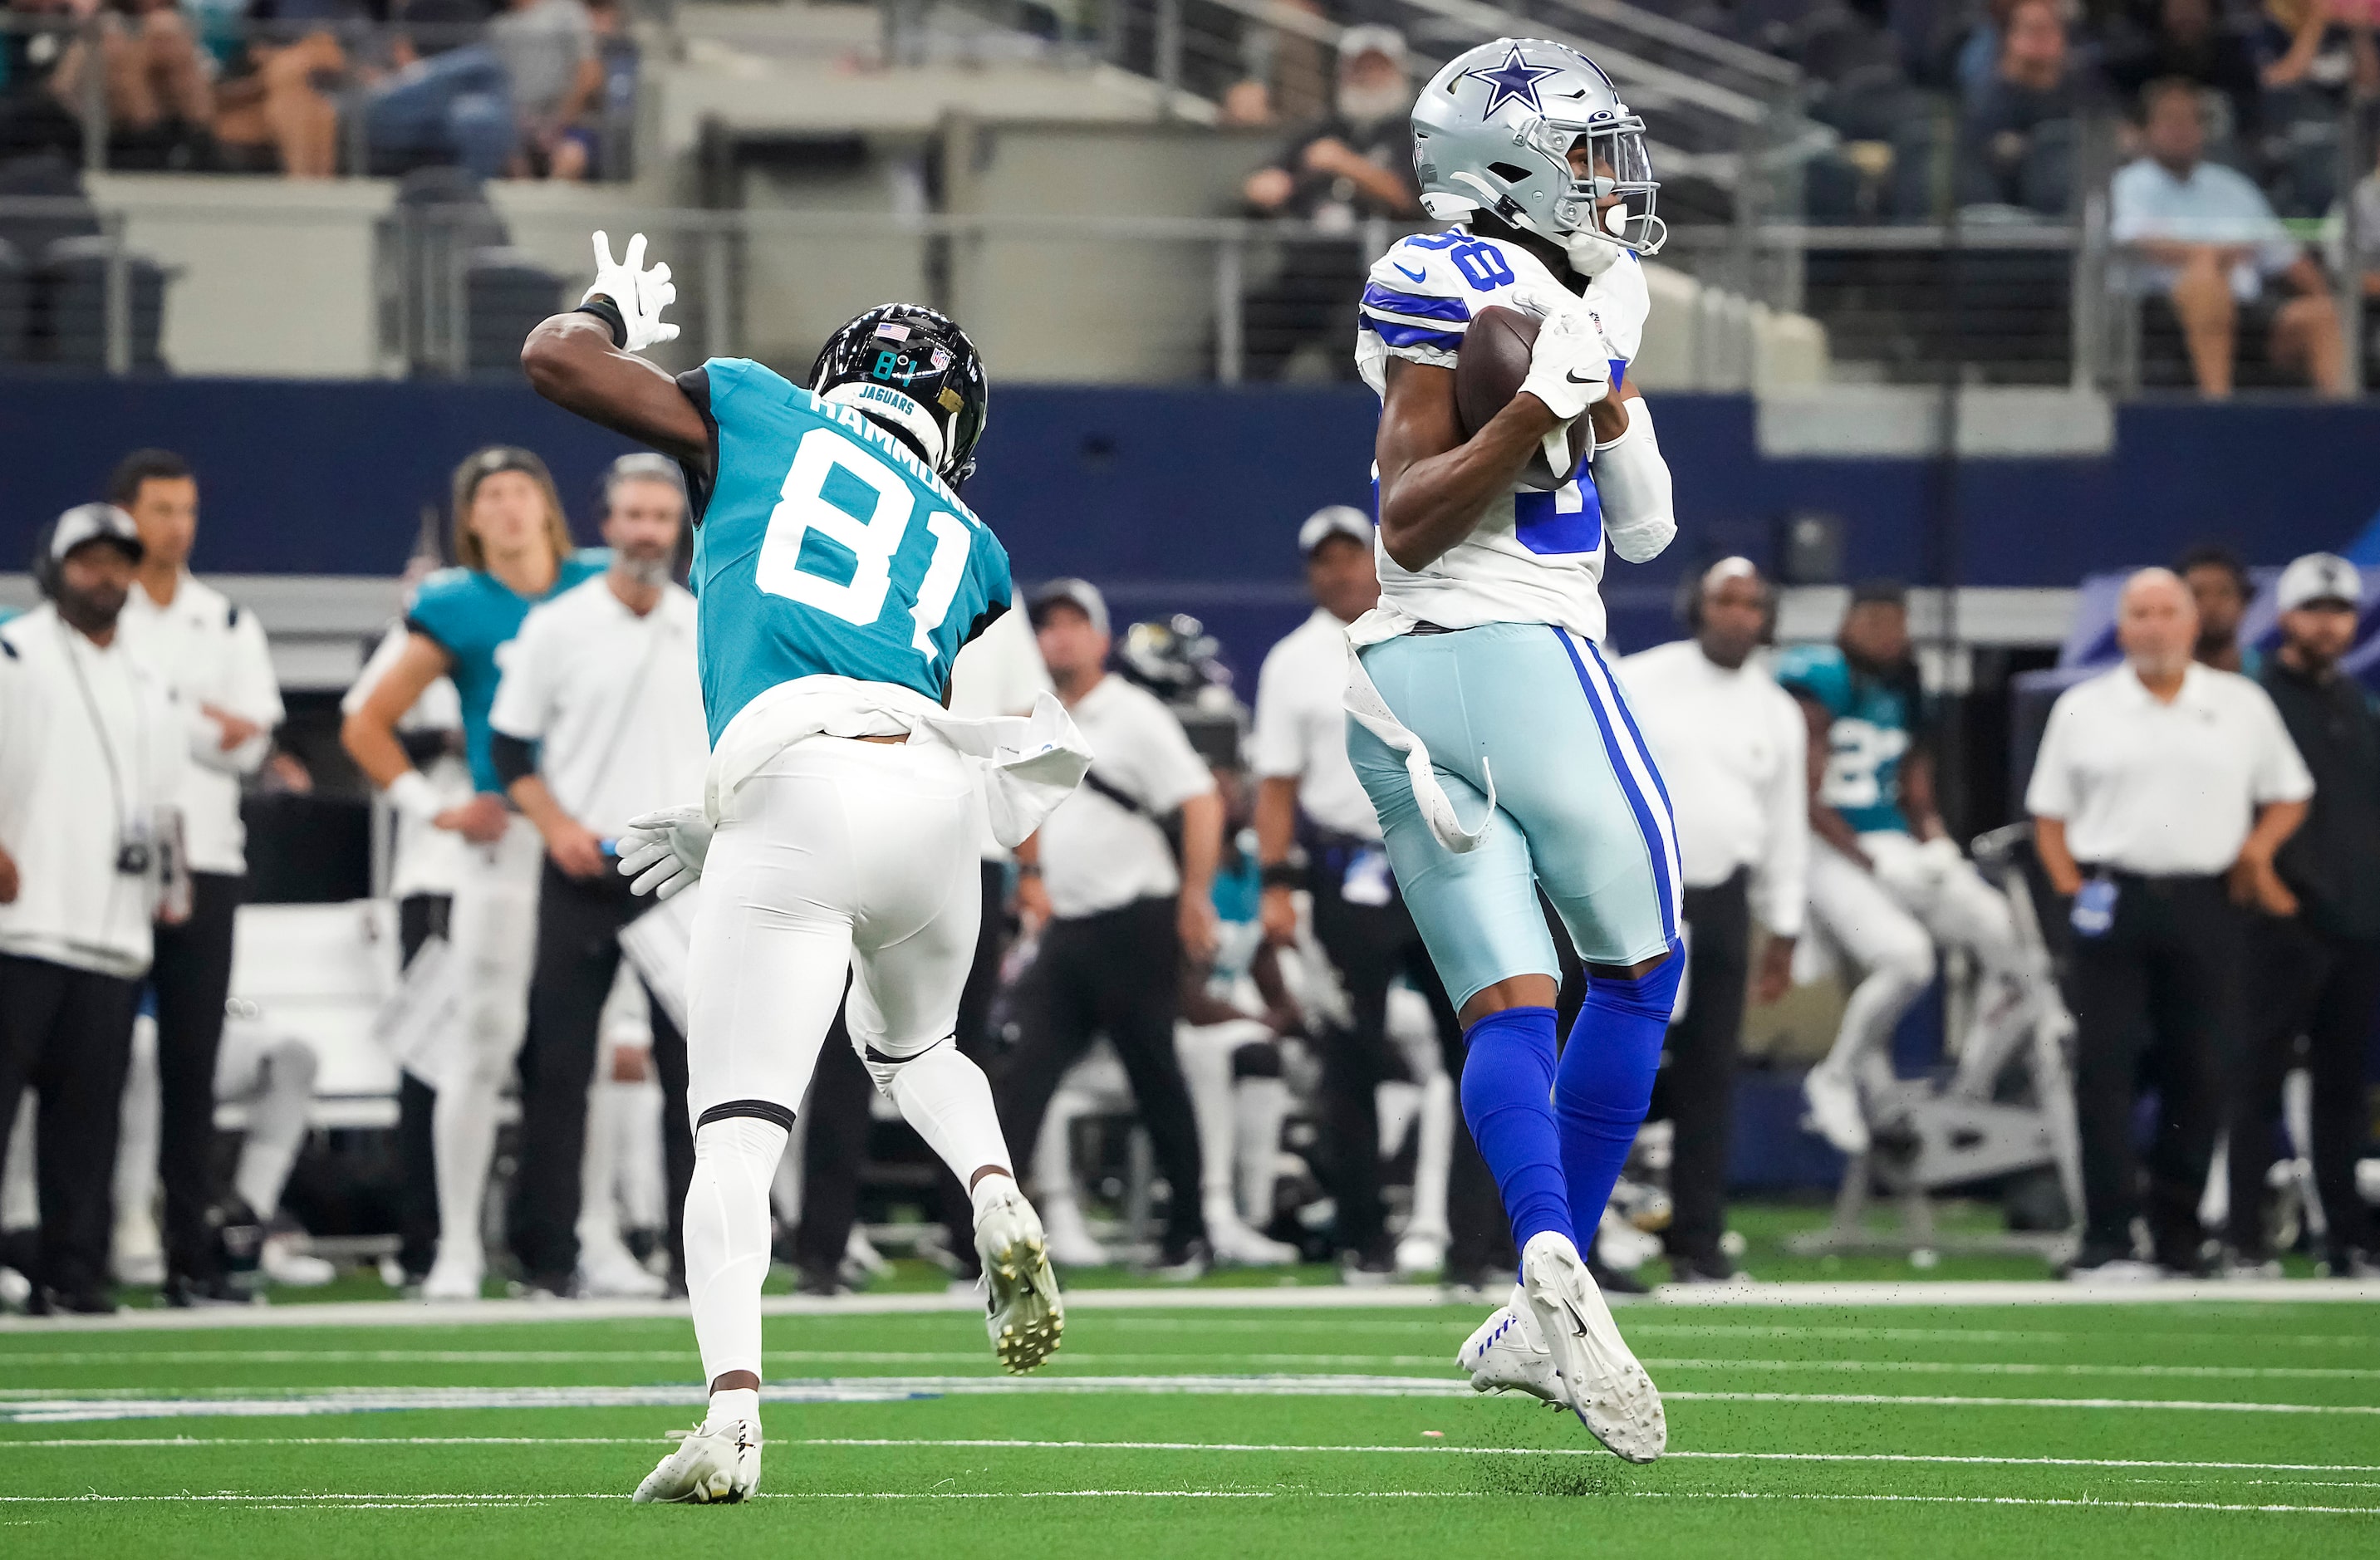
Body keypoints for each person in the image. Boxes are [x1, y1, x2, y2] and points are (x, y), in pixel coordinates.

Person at [522, 233, 1089, 1501]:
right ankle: (994, 1187)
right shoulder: (971, 539)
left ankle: (732, 1417)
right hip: (931, 796)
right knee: (918, 1051)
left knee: (732, 1137)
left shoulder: (761, 410)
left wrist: (614, 302)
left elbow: (557, 362)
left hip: (797, 784)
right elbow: (899, 699)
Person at [1349, 38, 1678, 1463]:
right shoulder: (1470, 285)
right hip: (1523, 652)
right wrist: (1550, 407)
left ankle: (1541, 1266)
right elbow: (1410, 517)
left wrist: (1600, 401)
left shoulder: (1579, 294)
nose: (1613, 182)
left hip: (1394, 684)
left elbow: (1648, 517)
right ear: (1510, 167)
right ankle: (1563, 1273)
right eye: (1588, 155)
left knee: (1507, 1003)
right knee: (1643, 967)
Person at [340, 445, 607, 1302]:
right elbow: (366, 721)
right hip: (508, 840)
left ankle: (592, 1238)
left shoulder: (599, 584)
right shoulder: (454, 602)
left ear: (549, 505)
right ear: (471, 517)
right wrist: (433, 805)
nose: (509, 507)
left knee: (588, 1057)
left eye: (523, 489)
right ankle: (456, 1246)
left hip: (599, 843)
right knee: (480, 1041)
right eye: (490, 495)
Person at [2028, 567, 2311, 1281]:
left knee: (2201, 1067)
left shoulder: (2239, 705)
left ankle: (2181, 1235)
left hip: (2207, 901)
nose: (2153, 626)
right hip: (2111, 899)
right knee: (2104, 1067)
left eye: (2166, 612)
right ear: (2120, 628)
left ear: (2190, 624)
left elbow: (2288, 793)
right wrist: (2070, 889)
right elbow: (2049, 815)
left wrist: (2255, 851)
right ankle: (2106, 1235)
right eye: (2139, 613)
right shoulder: (2083, 708)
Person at [1250, 503, 1504, 1284]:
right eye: (1322, 560)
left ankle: (1476, 1240)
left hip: (1434, 856)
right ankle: (1367, 1238)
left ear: (1377, 555)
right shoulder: (1291, 661)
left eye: (1349, 555)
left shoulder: (1425, 625)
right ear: (1308, 574)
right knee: (1350, 1059)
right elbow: (1276, 786)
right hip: (1345, 872)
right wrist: (1276, 887)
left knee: (1479, 1041)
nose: (1338, 571)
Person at [488, 452, 705, 1298]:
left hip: (676, 870)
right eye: (635, 516)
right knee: (558, 1067)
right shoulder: (558, 625)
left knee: (696, 1072)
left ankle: (698, 1267)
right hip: (580, 863)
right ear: (607, 525)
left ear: (678, 529)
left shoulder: (705, 624)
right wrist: (554, 828)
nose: (648, 531)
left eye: (662, 517)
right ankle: (547, 1262)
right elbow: (507, 747)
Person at [997, 578, 1223, 1278]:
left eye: (1073, 625)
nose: (1058, 637)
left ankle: (1188, 1231)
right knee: (1020, 1076)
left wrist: (1195, 895)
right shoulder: (1031, 718)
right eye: (1048, 627)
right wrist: (1030, 878)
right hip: (1068, 927)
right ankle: (989, 1235)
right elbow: (1021, 805)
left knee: (1154, 1075)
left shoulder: (1134, 713)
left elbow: (1200, 800)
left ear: (1100, 638)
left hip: (1135, 921)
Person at [107, 448, 285, 1307]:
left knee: (192, 1065)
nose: (175, 525)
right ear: (126, 516)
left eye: (186, 509)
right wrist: (199, 721)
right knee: (88, 1063)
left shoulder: (226, 620)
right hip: (107, 864)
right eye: (159, 509)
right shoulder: (99, 611)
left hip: (208, 862)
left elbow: (252, 743)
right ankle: (78, 1243)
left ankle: (188, 1256)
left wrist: (167, 718)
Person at [0, 504, 184, 1315]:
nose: (104, 575)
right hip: (23, 921)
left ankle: (74, 1275)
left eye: (118, 562)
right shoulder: (14, 650)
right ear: (54, 566)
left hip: (113, 932)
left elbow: (162, 799)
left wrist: (169, 886)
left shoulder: (148, 676)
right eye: (88, 561)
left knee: (88, 1125)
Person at [1779, 580, 2034, 1156]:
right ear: (1846, 625)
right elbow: (1802, 793)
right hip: (1826, 846)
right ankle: (1835, 1075)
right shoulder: (1819, 681)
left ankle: (1972, 1082)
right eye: (1873, 623)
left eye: (1896, 624)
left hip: (1892, 842)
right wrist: (1871, 862)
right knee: (1907, 959)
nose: (1887, 636)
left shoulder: (1907, 684)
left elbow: (1915, 789)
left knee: (2013, 943)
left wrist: (1937, 840)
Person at [1617, 559, 1808, 1284]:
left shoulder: (1776, 710)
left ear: (1766, 618)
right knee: (1618, 1061)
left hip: (1722, 899)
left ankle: (1697, 1241)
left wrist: (1782, 927)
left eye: (1750, 604)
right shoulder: (1641, 677)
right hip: (1636, 894)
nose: (1737, 615)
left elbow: (1784, 826)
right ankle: (1598, 1232)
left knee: (1709, 1071)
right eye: (1724, 601)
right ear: (1696, 606)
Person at [2229, 553, 2378, 1277]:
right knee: (2255, 1081)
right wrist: (2275, 896)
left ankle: (2342, 1235)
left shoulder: (2354, 702)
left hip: (2356, 926)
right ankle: (2244, 1234)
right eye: (2314, 609)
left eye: (2339, 611)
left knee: (2342, 1088)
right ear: (2285, 617)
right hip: (2279, 925)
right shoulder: (2252, 701)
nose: (2328, 623)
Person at [341, 571, 473, 1288]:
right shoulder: (409, 643)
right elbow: (365, 725)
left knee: (537, 1064)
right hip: (434, 876)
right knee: (430, 1065)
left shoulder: (521, 626)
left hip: (520, 869)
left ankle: (530, 1240)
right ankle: (423, 1242)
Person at [2111, 77, 2346, 396]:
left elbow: (2285, 255)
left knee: (2320, 315)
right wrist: (2214, 255)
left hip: (2250, 310)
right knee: (2206, 278)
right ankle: (2218, 410)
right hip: (2164, 312)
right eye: (2170, 119)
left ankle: (2343, 427)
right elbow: (2136, 242)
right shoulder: (2129, 184)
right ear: (2146, 129)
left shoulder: (2234, 187)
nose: (2181, 128)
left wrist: (2326, 296)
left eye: (2190, 119)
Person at [1237, 25, 1421, 380]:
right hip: (1305, 273)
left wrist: (1348, 166)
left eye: (1378, 68)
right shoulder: (1320, 129)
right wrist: (1261, 188)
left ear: (1398, 72)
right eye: (1359, 68)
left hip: (1377, 278)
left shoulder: (1412, 133)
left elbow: (1411, 201)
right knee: (1250, 322)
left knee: (1354, 337)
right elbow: (1265, 182)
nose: (1368, 77)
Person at [1957, 0, 2092, 214]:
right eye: (2032, 30)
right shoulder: (1988, 101)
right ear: (2010, 38)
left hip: (2078, 212)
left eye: (2048, 29)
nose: (2041, 39)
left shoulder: (2083, 89)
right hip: (2009, 216)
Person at [487, 0, 600, 179]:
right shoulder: (498, 26)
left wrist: (562, 121)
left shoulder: (566, 12)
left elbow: (589, 73)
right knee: (505, 162)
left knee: (572, 158)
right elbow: (494, 87)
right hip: (517, 128)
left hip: (565, 123)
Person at [2178, 542, 2261, 675]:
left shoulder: (2270, 678)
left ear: (2244, 603)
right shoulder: (2154, 681)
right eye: (2197, 593)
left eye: (2224, 592)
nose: (2212, 604)